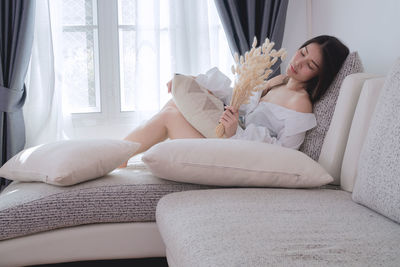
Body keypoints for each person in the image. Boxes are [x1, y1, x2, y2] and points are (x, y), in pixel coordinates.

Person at [119, 35, 349, 167]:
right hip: (231, 140)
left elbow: (284, 156)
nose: (298, 62)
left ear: (319, 77)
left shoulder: (300, 105)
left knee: (170, 116)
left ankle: (116, 155)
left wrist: (236, 134)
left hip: (238, 156)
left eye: (310, 65)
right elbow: (239, 99)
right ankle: (120, 157)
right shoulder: (279, 81)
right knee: (173, 105)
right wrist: (195, 82)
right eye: (303, 52)